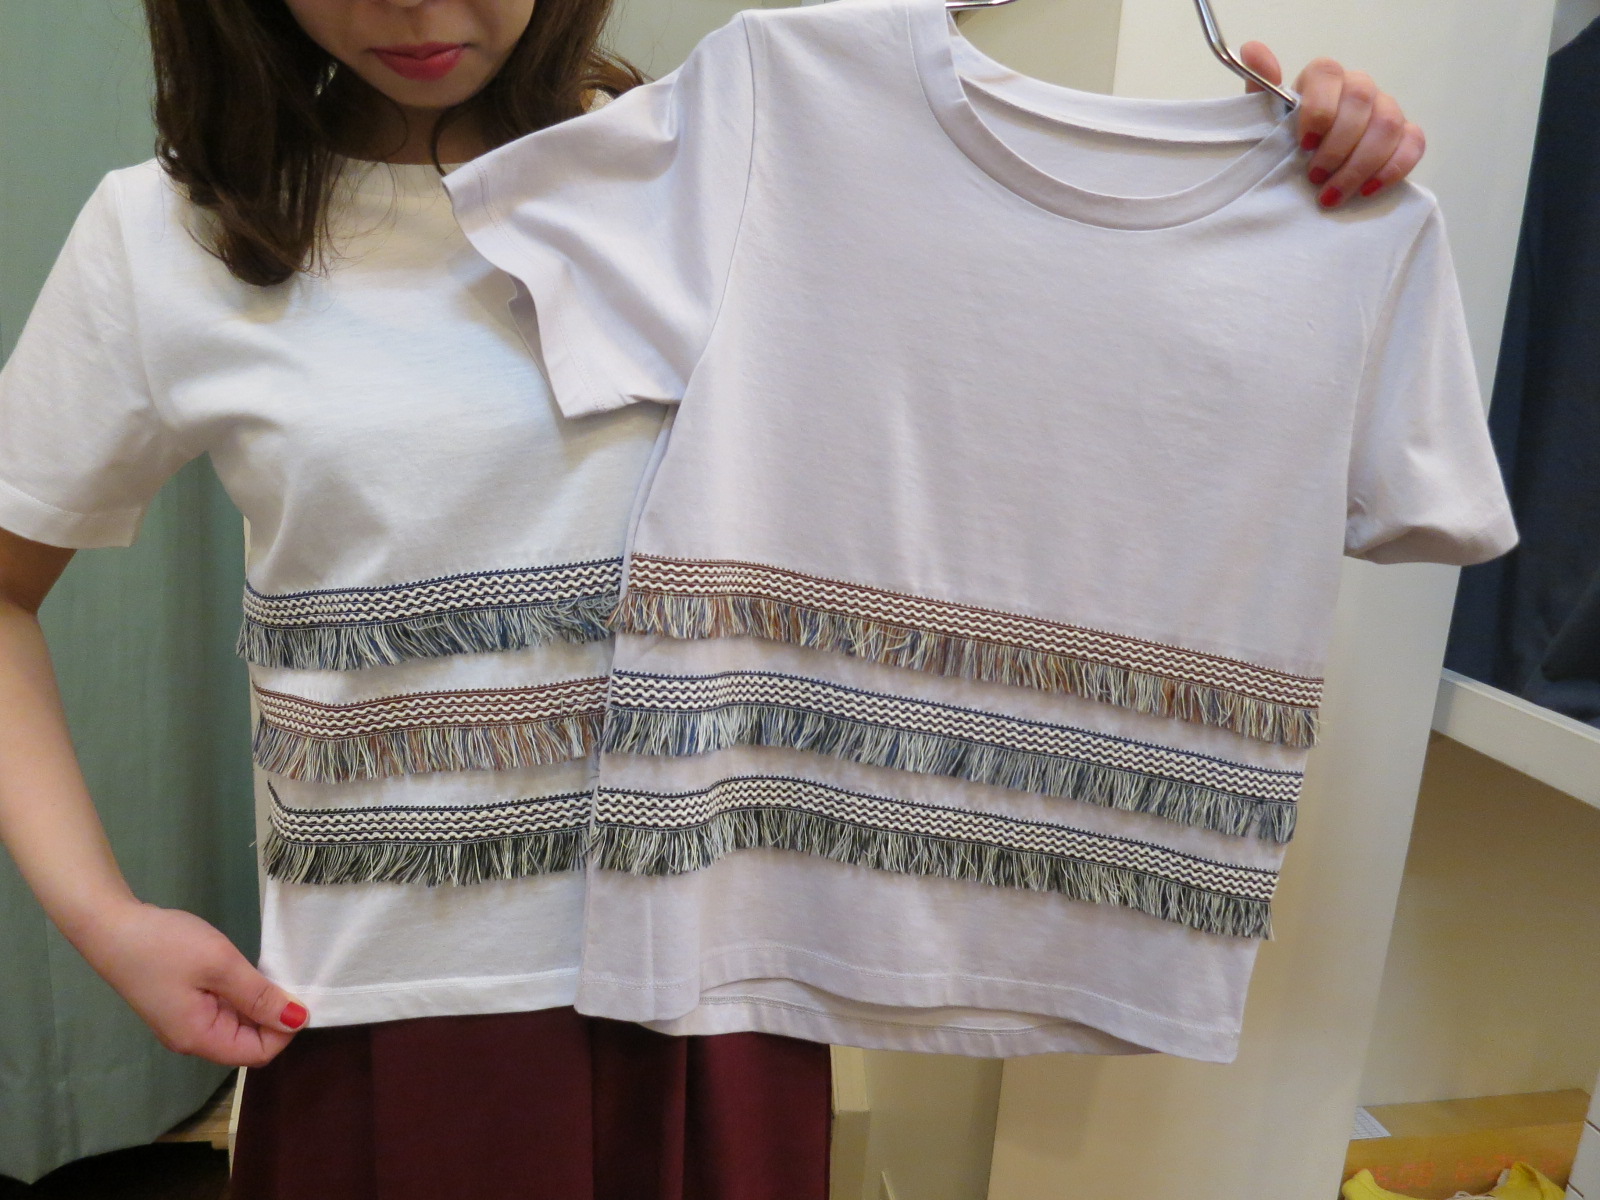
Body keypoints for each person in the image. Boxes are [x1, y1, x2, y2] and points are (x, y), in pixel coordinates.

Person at [0, 0, 1427, 1195]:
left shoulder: (767, 168)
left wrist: (1279, 176)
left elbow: (1061, 323)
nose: (419, 7)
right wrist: (104, 918)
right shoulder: (166, 239)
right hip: (394, 1018)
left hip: (724, 997)